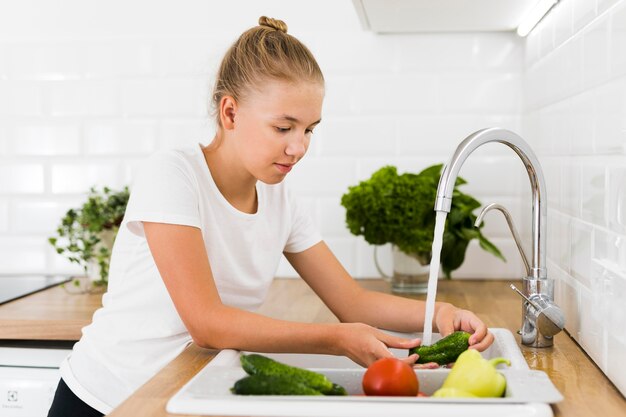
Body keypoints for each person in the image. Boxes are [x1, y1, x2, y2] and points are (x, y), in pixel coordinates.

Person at [47, 16, 494, 417]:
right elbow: (206, 323)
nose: (298, 147)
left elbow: (352, 303)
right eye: (284, 127)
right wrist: (336, 340)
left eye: (309, 130)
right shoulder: (174, 174)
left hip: (186, 392)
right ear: (230, 112)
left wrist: (439, 313)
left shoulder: (281, 201)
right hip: (107, 400)